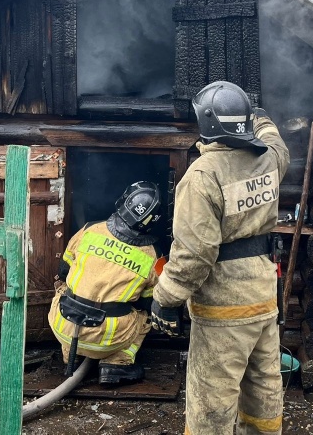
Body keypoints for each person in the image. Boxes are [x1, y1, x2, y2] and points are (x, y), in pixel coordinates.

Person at [151, 81, 290, 435]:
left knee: (211, 399)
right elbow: (275, 140)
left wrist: (165, 300)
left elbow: (194, 255)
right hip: (263, 298)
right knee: (264, 386)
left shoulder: (202, 175)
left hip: (223, 308)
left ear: (206, 122)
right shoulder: (269, 159)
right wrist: (259, 118)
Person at [48, 181, 162, 385]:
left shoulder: (89, 229)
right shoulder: (153, 255)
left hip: (63, 327)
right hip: (108, 339)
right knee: (146, 317)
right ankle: (117, 364)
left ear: (123, 202)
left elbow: (63, 271)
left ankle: (70, 356)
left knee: (64, 288)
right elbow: (148, 301)